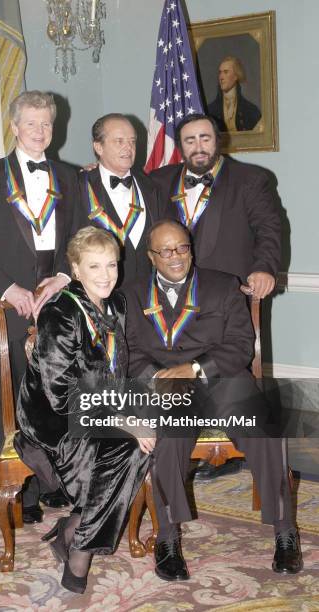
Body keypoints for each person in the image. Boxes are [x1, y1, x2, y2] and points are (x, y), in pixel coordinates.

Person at [123, 219, 303, 581]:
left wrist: (193, 368)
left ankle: (285, 531)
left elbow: (239, 345)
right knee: (168, 437)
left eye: (183, 248)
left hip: (219, 378)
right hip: (166, 385)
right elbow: (129, 350)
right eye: (166, 250)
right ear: (151, 256)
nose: (176, 257)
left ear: (191, 247)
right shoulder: (129, 294)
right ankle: (168, 539)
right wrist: (158, 377)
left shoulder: (222, 285)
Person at [0, 91, 78, 520]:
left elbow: (79, 240)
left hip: (57, 301)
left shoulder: (69, 175)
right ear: (14, 126)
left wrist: (62, 277)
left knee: (57, 397)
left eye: (46, 124)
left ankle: (56, 484)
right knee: (14, 402)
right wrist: (9, 289)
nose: (40, 132)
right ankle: (21, 494)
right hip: (5, 308)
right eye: (31, 124)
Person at [15, 227, 150, 594]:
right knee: (122, 451)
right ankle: (79, 552)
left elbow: (121, 367)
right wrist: (123, 421)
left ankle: (75, 528)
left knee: (142, 446)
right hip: (53, 417)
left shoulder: (116, 303)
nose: (106, 275)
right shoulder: (60, 313)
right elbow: (59, 395)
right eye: (94, 267)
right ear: (76, 269)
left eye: (112, 264)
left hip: (100, 407)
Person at [150, 113, 281, 478]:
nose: (198, 146)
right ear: (180, 146)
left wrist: (265, 267)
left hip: (231, 299)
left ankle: (235, 450)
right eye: (190, 140)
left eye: (205, 138)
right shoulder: (158, 181)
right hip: (172, 304)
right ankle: (180, 447)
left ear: (217, 140)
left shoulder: (251, 180)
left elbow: (269, 227)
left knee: (224, 373)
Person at [73, 113, 162, 287]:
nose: (128, 148)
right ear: (99, 147)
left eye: (132, 141)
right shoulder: (78, 187)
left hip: (148, 297)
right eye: (119, 141)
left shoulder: (152, 186)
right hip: (101, 297)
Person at [207, 56, 261, 132]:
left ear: (236, 76)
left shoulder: (251, 111)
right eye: (220, 72)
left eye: (226, 72)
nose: (221, 77)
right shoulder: (209, 111)